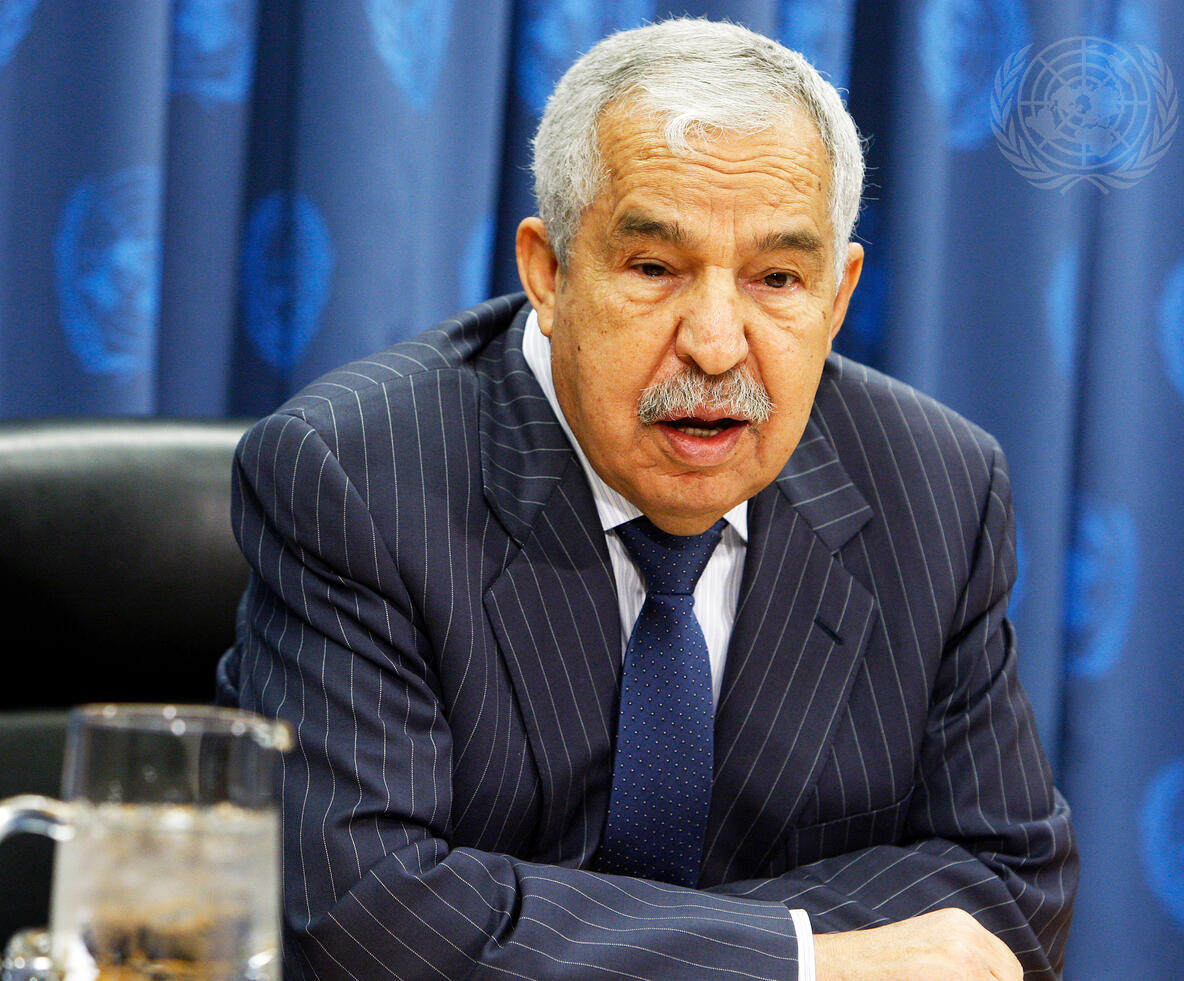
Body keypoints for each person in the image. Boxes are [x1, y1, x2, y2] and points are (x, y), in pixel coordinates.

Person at [217, 18, 1077, 981]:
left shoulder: (937, 487)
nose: (715, 343)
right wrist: (795, 960)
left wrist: (628, 943)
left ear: (838, 297)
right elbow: (364, 911)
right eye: (655, 269)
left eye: (777, 278)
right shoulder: (356, 478)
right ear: (548, 272)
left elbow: (1011, 881)